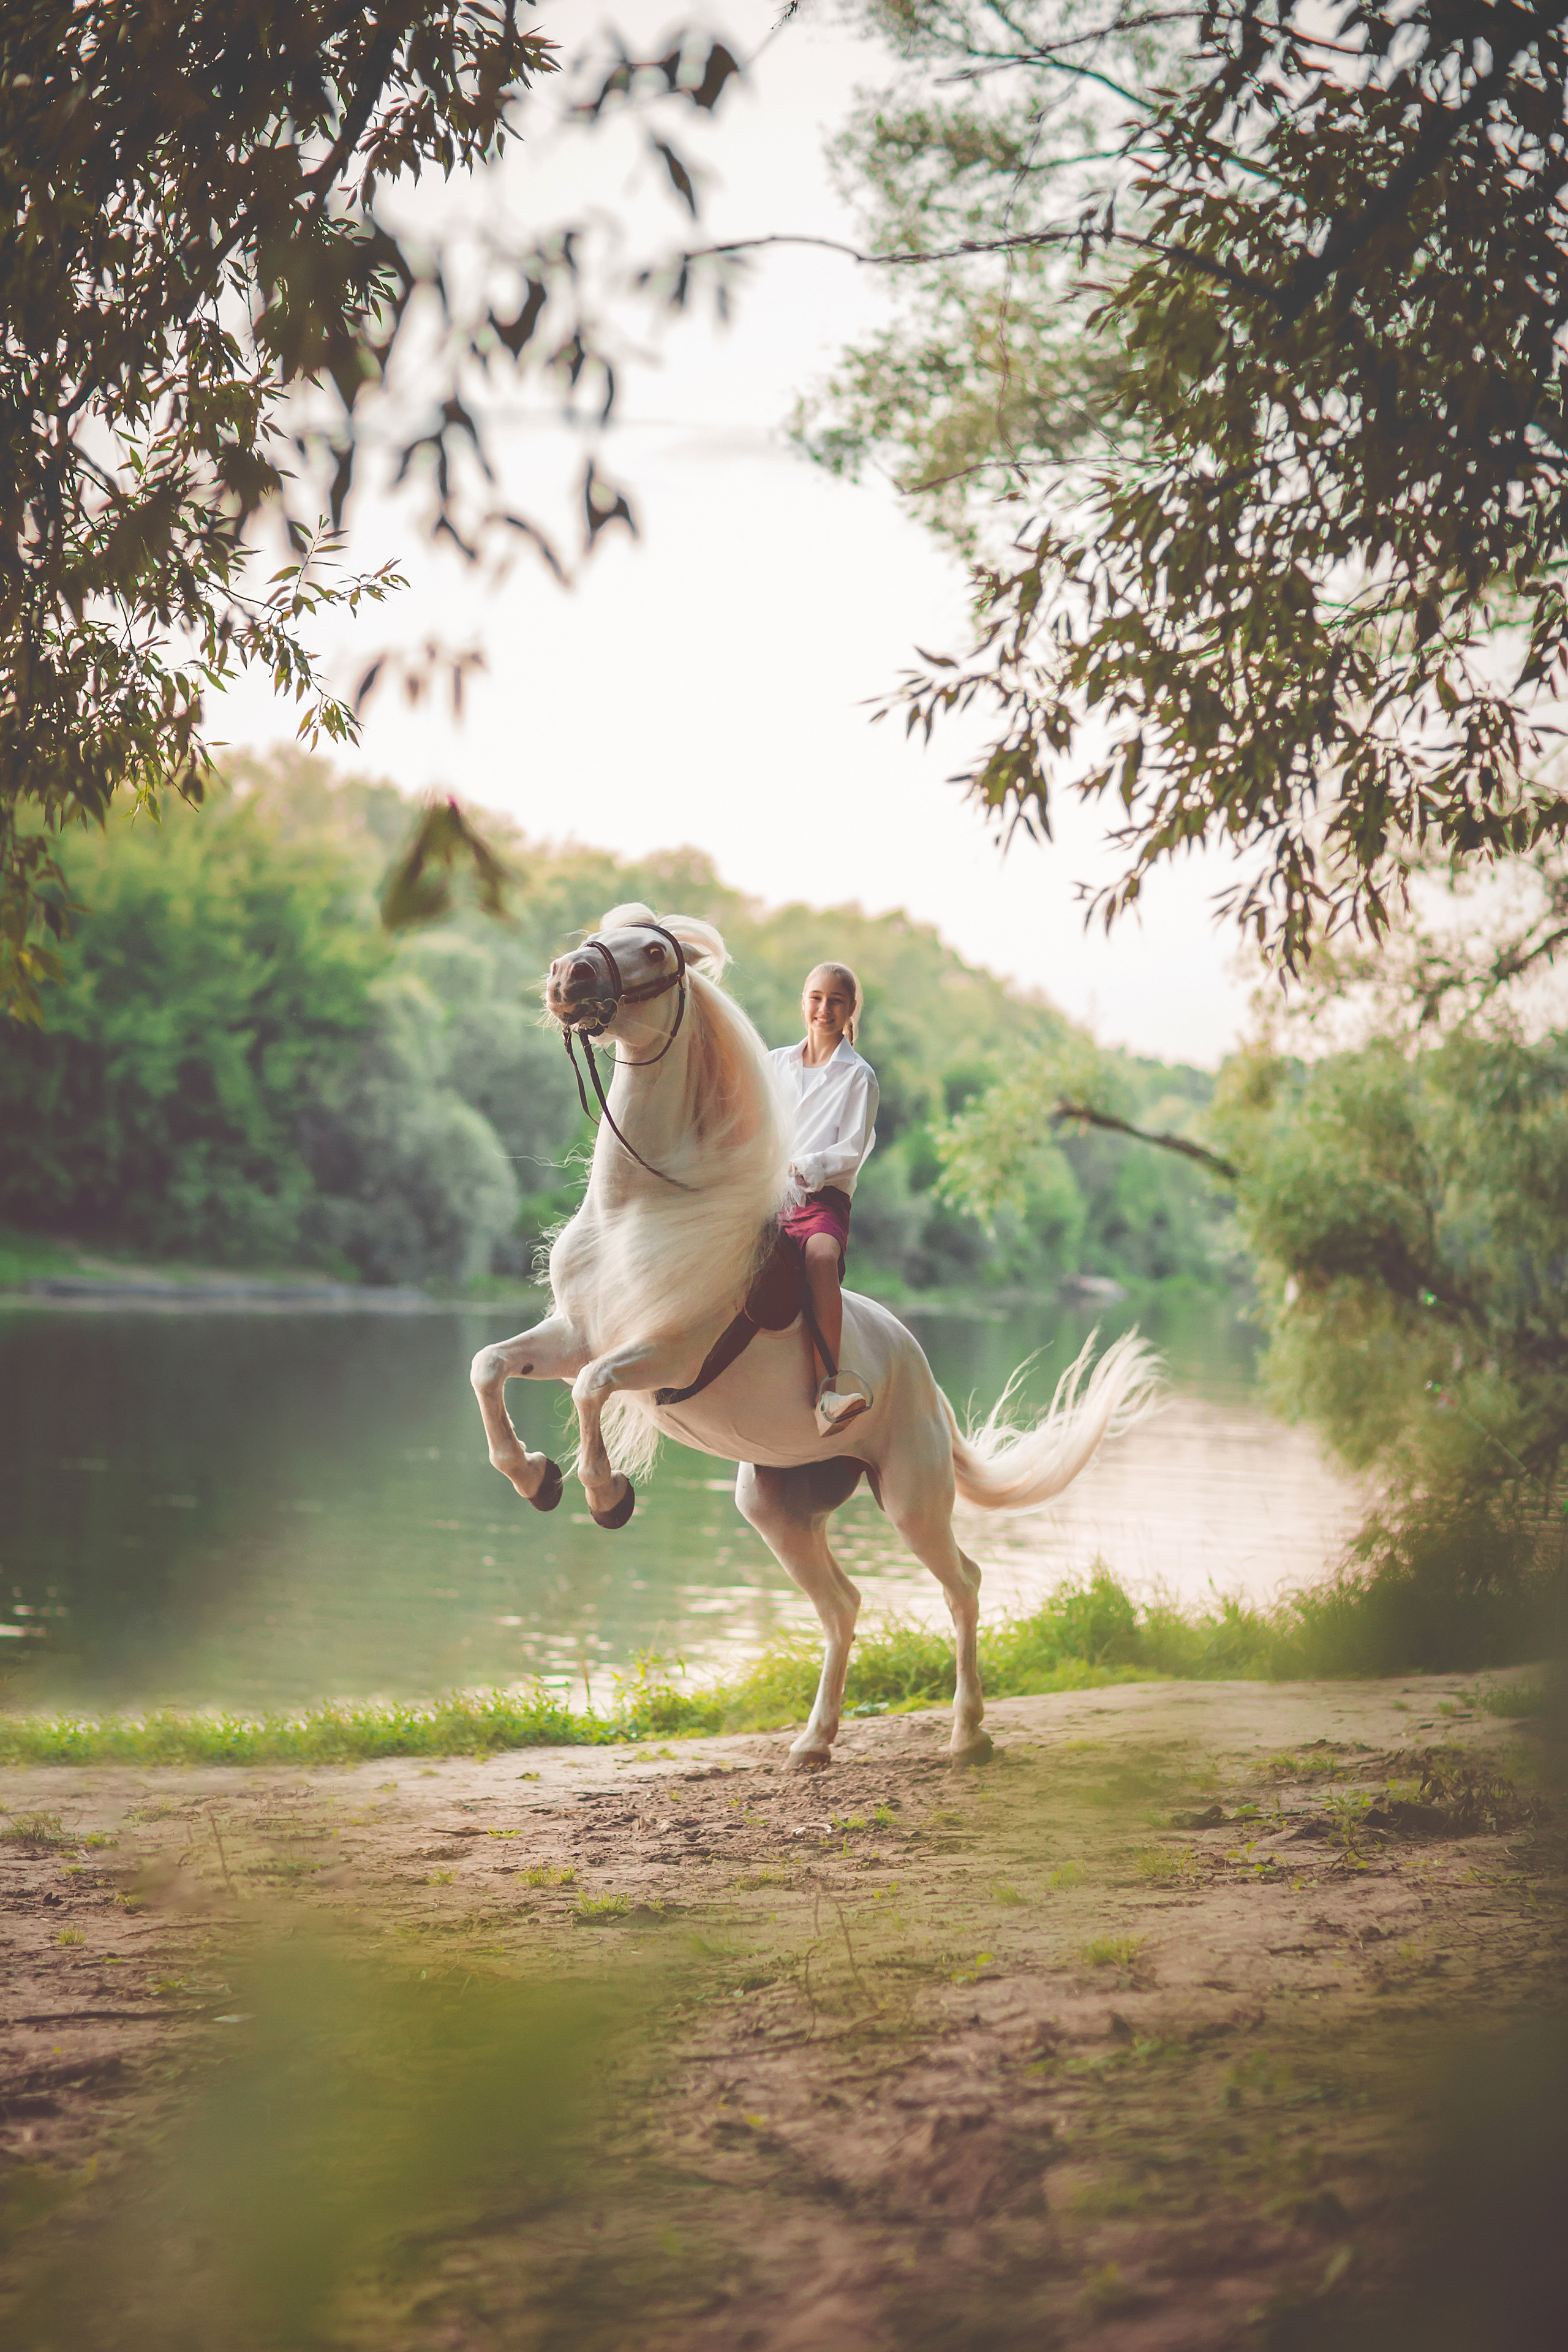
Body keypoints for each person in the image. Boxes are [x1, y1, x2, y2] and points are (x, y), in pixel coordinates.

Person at [769, 962, 880, 1434]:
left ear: (851, 1008)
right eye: (816, 997)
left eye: (836, 1000)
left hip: (822, 1200)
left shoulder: (860, 1077)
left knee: (820, 1257)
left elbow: (851, 1152)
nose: (824, 1008)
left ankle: (827, 1393)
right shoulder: (773, 1065)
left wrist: (802, 1166)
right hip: (766, 1194)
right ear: (803, 1002)